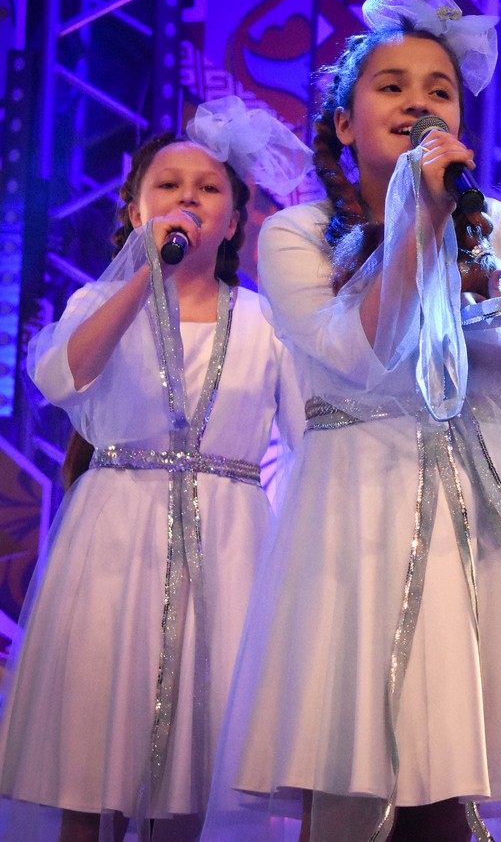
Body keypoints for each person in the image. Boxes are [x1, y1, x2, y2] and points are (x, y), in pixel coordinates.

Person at [200, 0, 501, 842]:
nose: (417, 102)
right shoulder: (296, 236)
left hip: (481, 511)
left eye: (438, 90)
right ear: (344, 123)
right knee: (346, 778)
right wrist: (419, 212)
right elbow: (360, 351)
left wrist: (491, 343)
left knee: (451, 783)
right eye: (392, 86)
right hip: (354, 514)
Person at [0, 96, 309, 841]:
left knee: (199, 764)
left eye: (208, 189)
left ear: (234, 220)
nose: (187, 200)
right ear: (137, 211)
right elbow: (61, 378)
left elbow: (311, 435)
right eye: (168, 187)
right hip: (116, 531)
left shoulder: (266, 321)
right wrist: (144, 274)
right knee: (91, 758)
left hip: (229, 541)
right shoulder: (98, 301)